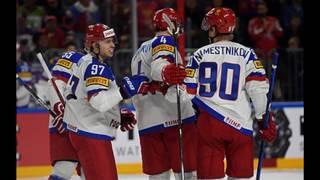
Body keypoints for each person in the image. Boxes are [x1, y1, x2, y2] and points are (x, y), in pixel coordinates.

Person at [183, 7, 277, 179]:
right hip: (241, 125)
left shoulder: (198, 55)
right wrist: (263, 118)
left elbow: (186, 93)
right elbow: (257, 90)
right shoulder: (247, 54)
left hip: (209, 124)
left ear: (214, 29)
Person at [122, 8, 197, 180]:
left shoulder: (139, 51)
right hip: (175, 118)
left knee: (158, 177)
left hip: (148, 122)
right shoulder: (165, 39)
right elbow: (160, 65)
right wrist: (166, 71)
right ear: (170, 24)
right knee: (188, 174)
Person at [62, 23, 136, 180]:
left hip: (86, 130)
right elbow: (98, 102)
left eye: (112, 41)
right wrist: (124, 91)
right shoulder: (95, 67)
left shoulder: (87, 62)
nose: (113, 45)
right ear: (95, 45)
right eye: (107, 41)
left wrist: (115, 115)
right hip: (90, 133)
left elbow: (86, 97)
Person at [46, 50, 87, 180]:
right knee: (64, 167)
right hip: (65, 124)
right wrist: (59, 108)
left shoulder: (96, 65)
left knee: (90, 170)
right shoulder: (77, 58)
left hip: (86, 125)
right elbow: (56, 83)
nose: (112, 46)